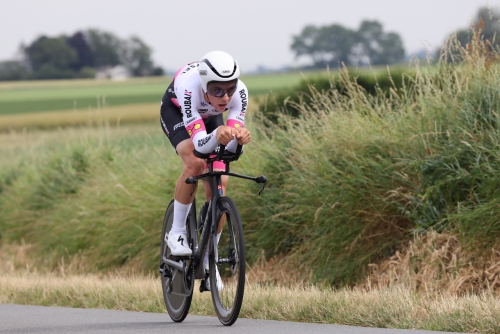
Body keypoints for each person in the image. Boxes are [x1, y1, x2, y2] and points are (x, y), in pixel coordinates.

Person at [159, 51, 251, 289]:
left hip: (209, 119)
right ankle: (177, 232)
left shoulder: (240, 93)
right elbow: (200, 145)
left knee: (221, 179)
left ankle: (209, 260)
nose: (225, 96)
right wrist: (218, 136)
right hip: (178, 113)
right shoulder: (189, 87)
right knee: (195, 163)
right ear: (204, 84)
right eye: (218, 90)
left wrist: (238, 139)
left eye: (229, 89)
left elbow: (230, 150)